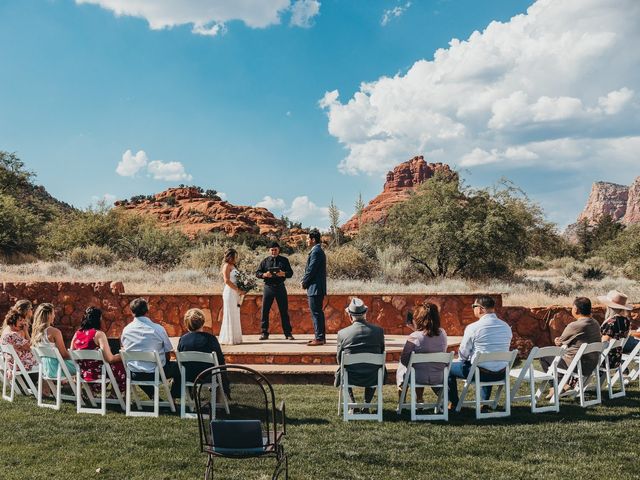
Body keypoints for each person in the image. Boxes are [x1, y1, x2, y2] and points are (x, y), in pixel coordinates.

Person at [448, 296, 512, 412]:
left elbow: (463, 354)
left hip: (480, 373)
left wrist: (464, 359)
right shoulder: (506, 327)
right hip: (501, 373)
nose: (473, 308)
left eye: (474, 306)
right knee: (487, 364)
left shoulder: (473, 327)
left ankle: (454, 403)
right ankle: (484, 403)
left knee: (448, 367)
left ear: (481, 309)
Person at [121, 297, 181, 400]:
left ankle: (154, 395)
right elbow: (168, 353)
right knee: (179, 367)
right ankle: (173, 397)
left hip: (134, 373)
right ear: (147, 311)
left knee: (140, 368)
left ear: (131, 311)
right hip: (156, 372)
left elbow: (124, 348)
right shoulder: (158, 329)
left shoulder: (126, 330)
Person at [540, 297, 601, 397]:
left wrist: (556, 341)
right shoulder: (595, 323)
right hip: (592, 364)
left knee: (545, 357)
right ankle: (566, 383)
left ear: (576, 309)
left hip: (577, 365)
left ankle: (556, 386)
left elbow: (560, 342)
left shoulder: (575, 326)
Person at [335, 298, 385, 410]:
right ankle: (366, 404)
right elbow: (382, 353)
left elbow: (339, 360)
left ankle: (352, 405)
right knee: (375, 367)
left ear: (350, 316)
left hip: (351, 376)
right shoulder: (378, 331)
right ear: (365, 314)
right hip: (373, 376)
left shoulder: (342, 334)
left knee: (343, 369)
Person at [396, 302, 447, 403]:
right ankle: (419, 398)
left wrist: (416, 331)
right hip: (438, 376)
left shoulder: (414, 336)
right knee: (419, 366)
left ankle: (402, 401)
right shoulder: (443, 334)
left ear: (418, 318)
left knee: (403, 366)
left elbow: (404, 359)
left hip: (418, 377)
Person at [70, 306, 126, 394]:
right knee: (121, 365)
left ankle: (91, 391)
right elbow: (110, 359)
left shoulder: (77, 334)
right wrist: (123, 355)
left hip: (82, 374)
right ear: (99, 319)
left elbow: (72, 354)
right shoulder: (99, 334)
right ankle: (115, 394)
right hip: (98, 375)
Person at [177, 308, 230, 397]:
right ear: (203, 322)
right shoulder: (211, 339)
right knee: (221, 371)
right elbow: (220, 360)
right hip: (209, 377)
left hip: (189, 377)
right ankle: (217, 402)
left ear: (186, 323)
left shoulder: (183, 340)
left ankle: (191, 397)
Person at [256, 241, 294, 340]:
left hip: (280, 287)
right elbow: (257, 273)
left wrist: (283, 273)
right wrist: (264, 275)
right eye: (272, 250)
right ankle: (264, 332)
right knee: (265, 310)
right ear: (269, 250)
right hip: (268, 287)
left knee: (284, 310)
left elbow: (290, 273)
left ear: (279, 250)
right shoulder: (265, 261)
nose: (273, 252)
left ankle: (288, 333)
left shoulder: (284, 260)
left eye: (275, 250)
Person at [30, 303, 77, 377]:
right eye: (53, 313)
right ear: (48, 315)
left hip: (46, 369)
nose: (54, 316)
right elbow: (64, 355)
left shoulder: (36, 334)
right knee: (82, 367)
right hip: (58, 368)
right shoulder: (55, 332)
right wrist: (77, 356)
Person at [301, 229, 327, 346]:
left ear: (313, 239)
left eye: (307, 239)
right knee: (317, 312)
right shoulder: (317, 250)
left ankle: (319, 338)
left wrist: (304, 282)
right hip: (316, 288)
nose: (306, 241)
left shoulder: (316, 251)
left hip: (315, 288)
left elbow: (311, 270)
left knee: (316, 313)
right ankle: (320, 337)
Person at [1, 299, 37, 379]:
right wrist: (26, 331)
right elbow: (29, 347)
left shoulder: (8, 328)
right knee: (41, 359)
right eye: (31, 308)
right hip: (19, 364)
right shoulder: (18, 330)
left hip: (10, 363)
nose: (32, 310)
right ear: (26, 311)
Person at [598, 290, 632, 368]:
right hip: (617, 359)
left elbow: (604, 342)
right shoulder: (626, 321)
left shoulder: (611, 322)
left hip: (606, 359)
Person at [219, 248, 243, 345]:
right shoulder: (226, 266)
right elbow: (227, 281)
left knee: (235, 313)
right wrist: (238, 289)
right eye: (234, 256)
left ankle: (236, 338)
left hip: (235, 292)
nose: (236, 258)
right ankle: (228, 338)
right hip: (230, 292)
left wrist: (243, 287)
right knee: (229, 313)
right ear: (230, 256)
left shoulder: (234, 266)